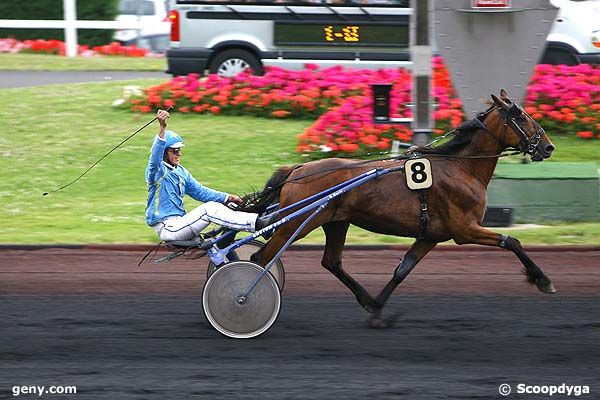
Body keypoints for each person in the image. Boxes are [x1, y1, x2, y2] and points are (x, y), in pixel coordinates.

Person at [145, 109, 270, 242]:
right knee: (209, 208)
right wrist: (162, 127)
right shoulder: (157, 172)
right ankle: (259, 225)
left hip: (181, 222)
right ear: (164, 153)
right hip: (168, 228)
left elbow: (201, 192)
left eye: (179, 150)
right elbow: (154, 157)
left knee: (225, 208)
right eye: (175, 151)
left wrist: (227, 198)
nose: (179, 154)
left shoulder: (181, 172)